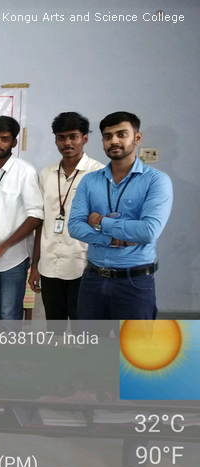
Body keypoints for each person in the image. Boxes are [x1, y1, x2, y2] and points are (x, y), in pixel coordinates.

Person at [68, 111, 173, 321]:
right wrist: (114, 239)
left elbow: (148, 231)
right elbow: (75, 226)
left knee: (132, 342)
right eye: (108, 136)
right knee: (90, 341)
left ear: (137, 138)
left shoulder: (156, 181)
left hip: (134, 281)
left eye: (122, 134)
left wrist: (99, 221)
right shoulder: (90, 181)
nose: (114, 141)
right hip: (93, 278)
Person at [29, 113, 104, 336]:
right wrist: (35, 266)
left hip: (83, 265)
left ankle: (82, 358)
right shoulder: (46, 174)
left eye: (73, 137)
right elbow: (40, 223)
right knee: (55, 327)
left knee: (84, 327)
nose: (67, 143)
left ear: (85, 138)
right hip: (50, 264)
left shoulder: (98, 173)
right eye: (61, 138)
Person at [0, 117, 43, 334]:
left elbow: (36, 216)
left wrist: (3, 246)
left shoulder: (25, 172)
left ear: (14, 142)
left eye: (4, 139)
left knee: (9, 313)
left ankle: (11, 351)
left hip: (14, 259)